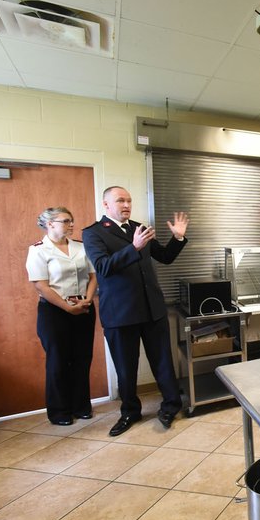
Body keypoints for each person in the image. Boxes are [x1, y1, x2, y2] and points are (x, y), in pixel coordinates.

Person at [83, 186, 189, 437]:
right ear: (106, 205)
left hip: (152, 310)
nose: (126, 204)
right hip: (120, 314)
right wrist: (134, 248)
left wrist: (178, 239)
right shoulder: (94, 233)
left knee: (163, 362)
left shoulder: (138, 228)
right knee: (126, 368)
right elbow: (103, 267)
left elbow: (164, 257)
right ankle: (130, 412)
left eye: (129, 200)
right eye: (120, 200)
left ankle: (171, 406)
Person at [26, 207, 97, 426]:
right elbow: (41, 285)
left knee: (82, 359)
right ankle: (59, 412)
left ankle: (81, 406)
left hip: (83, 307)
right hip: (54, 311)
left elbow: (93, 276)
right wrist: (67, 308)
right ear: (50, 224)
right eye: (66, 221)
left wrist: (87, 299)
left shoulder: (81, 247)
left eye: (71, 220)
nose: (71, 224)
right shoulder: (38, 250)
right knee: (58, 361)